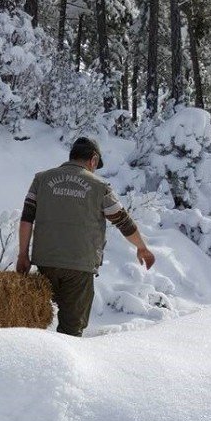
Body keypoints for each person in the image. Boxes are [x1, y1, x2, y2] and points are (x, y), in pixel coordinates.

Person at [16, 137, 155, 337]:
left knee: (34, 324)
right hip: (79, 267)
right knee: (71, 331)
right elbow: (123, 221)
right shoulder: (100, 186)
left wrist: (23, 254)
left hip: (45, 263)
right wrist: (142, 247)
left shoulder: (41, 179)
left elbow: (26, 219)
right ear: (93, 160)